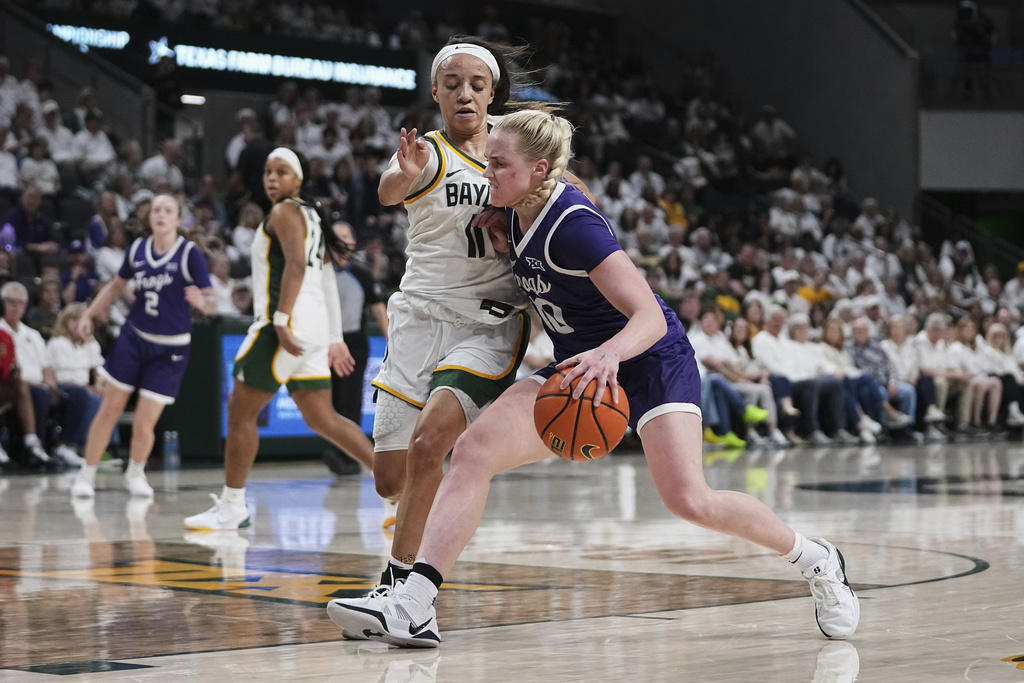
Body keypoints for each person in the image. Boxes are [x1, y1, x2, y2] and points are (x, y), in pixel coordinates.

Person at [327, 109, 859, 647]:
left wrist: (609, 356)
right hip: (583, 367)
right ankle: (415, 604)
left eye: (498, 164)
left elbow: (649, 316)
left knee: (688, 499)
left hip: (649, 359)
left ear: (539, 170)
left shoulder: (575, 226)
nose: (486, 172)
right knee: (473, 450)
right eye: (487, 162)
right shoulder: (509, 206)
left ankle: (816, 558)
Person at [361, 38, 548, 596]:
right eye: (452, 84)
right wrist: (405, 173)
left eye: (476, 85)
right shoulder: (426, 151)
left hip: (487, 325)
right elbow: (388, 190)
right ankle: (435, 505)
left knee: (429, 447)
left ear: (493, 94)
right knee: (391, 480)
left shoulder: (511, 154)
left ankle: (401, 588)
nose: (464, 94)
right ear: (436, 93)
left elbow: (566, 195)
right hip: (418, 319)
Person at [183, 148, 375, 529]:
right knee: (324, 419)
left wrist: (283, 321)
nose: (272, 177)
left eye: (282, 171)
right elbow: (322, 279)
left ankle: (233, 505)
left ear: (298, 180)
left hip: (282, 326)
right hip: (313, 329)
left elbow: (297, 266)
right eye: (268, 171)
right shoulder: (312, 217)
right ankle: (394, 489)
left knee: (240, 411)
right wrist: (333, 336)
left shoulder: (285, 212)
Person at [71, 194, 218, 498]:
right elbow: (115, 286)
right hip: (134, 339)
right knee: (110, 408)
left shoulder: (190, 254)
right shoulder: (138, 249)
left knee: (144, 421)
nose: (161, 214)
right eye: (156, 210)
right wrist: (88, 313)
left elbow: (212, 302)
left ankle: (135, 473)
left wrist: (202, 303)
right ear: (150, 217)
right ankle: (86, 474)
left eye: (168, 210)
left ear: (178, 219)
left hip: (171, 349)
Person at [322, 220, 389, 476]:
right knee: (330, 400)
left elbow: (379, 308)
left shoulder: (361, 273)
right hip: (324, 343)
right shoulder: (319, 271)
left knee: (350, 400)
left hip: (353, 344)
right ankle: (340, 452)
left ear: (352, 242)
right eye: (336, 235)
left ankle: (346, 456)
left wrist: (390, 341)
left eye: (346, 235)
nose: (341, 240)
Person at [0, 281, 58, 467]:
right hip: (14, 384)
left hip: (13, 384)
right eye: (11, 302)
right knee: (30, 389)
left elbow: (12, 363)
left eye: (20, 303)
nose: (16, 307)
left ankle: (36, 445)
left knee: (50, 393)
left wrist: (50, 384)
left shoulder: (23, 335)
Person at [45, 303, 103, 465]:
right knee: (81, 395)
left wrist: (99, 385)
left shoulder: (90, 343)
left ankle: (101, 447)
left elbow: (98, 369)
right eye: (74, 320)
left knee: (103, 396)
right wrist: (54, 386)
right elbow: (48, 369)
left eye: (82, 320)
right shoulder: (56, 343)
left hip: (83, 387)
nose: (78, 324)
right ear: (65, 321)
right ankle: (67, 444)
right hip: (62, 386)